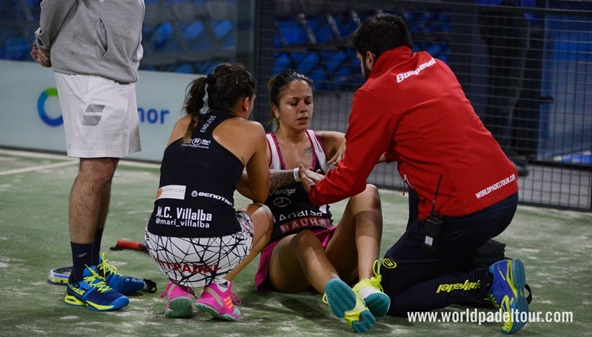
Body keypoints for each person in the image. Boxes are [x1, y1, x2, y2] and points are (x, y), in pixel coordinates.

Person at [299, 14, 530, 334]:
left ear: (368, 57)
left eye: (360, 60)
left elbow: (351, 180)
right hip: (505, 196)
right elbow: (433, 132)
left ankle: (488, 280)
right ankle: (477, 261)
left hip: (461, 214)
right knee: (425, 197)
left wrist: (316, 191)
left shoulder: (373, 92)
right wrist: (390, 152)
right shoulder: (437, 65)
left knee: (393, 291)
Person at [251, 69, 389, 333]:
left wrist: (359, 145)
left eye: (308, 101)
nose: (303, 109)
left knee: (367, 190)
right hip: (284, 256)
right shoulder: (264, 146)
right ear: (276, 109)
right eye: (293, 103)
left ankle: (367, 285)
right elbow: (251, 179)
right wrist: (295, 175)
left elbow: (381, 150)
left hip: (327, 244)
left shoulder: (328, 143)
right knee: (304, 238)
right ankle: (343, 301)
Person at [31, 0, 146, 311]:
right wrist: (45, 41)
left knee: (107, 167)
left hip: (119, 66)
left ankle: (93, 266)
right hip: (87, 66)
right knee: (96, 167)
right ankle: (81, 277)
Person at [144, 63, 273, 321]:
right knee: (265, 215)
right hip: (211, 246)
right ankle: (218, 288)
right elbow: (260, 194)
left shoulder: (184, 123)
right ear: (246, 103)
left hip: (158, 245)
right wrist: (231, 171)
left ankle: (178, 286)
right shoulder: (253, 130)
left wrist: (221, 170)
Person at [476, 0, 537, 176]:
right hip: (503, 15)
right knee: (505, 92)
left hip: (512, 14)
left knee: (505, 91)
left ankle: (497, 151)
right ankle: (495, 156)